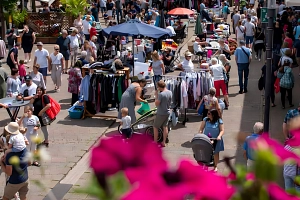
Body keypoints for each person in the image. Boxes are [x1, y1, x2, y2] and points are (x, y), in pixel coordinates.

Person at [0, 123, 29, 200]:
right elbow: (29, 162)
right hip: (25, 179)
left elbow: (9, 173)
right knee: (23, 197)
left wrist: (1, 163)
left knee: (5, 198)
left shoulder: (10, 156)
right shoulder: (25, 150)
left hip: (15, 182)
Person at [154, 80, 172, 147]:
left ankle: (155, 142)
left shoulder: (161, 94)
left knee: (155, 127)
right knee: (165, 127)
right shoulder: (170, 92)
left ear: (159, 87)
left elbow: (156, 104)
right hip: (167, 112)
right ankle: (163, 142)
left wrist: (156, 96)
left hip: (161, 113)